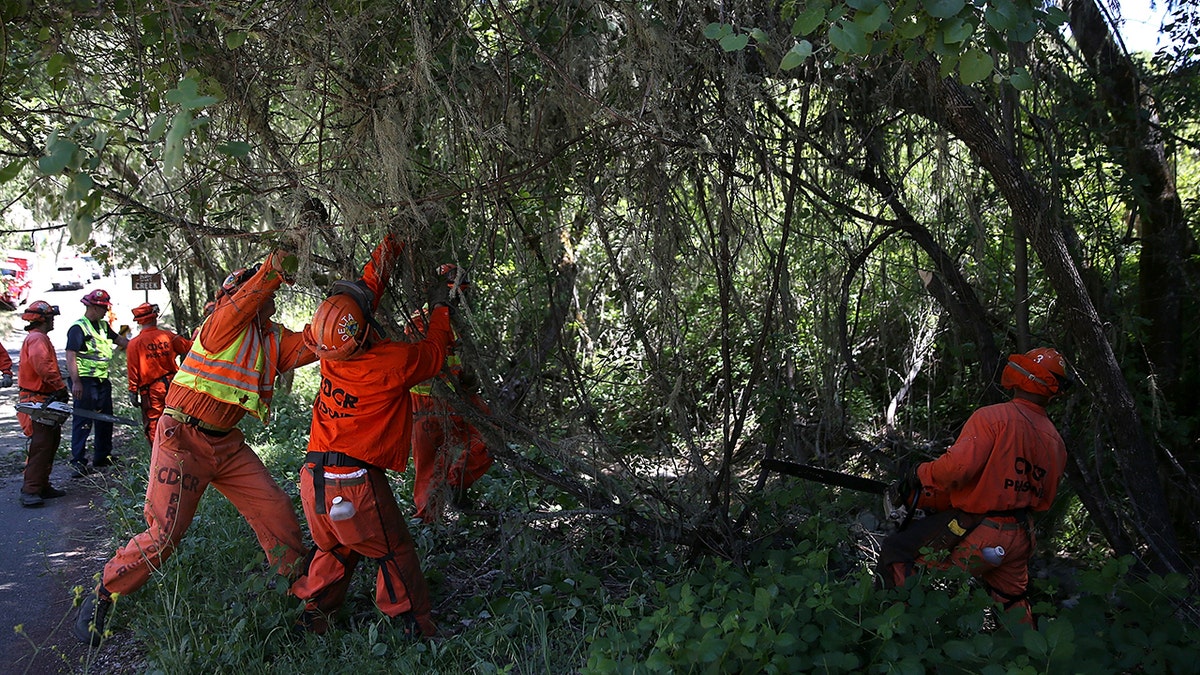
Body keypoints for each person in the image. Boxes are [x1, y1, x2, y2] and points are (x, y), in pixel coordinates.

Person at [75, 249, 317, 646]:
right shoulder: (223, 321)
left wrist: (353, 307)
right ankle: (105, 592)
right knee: (165, 534)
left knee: (275, 507)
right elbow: (249, 298)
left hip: (227, 447)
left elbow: (317, 341)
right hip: (183, 440)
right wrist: (277, 263)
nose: (268, 298)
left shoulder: (273, 340)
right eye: (258, 291)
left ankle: (295, 590)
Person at [291, 235, 453, 638]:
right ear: (363, 333)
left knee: (336, 547)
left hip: (313, 480)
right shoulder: (391, 361)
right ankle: (415, 628)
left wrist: (393, 241)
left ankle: (314, 616)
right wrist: (441, 306)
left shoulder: (324, 344)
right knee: (393, 550)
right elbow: (434, 353)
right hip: (355, 483)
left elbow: (367, 290)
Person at [876, 347, 1070, 625]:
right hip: (1021, 536)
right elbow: (1043, 496)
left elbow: (955, 469)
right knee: (1012, 600)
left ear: (1021, 373)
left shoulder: (993, 418)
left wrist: (920, 473)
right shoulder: (1056, 442)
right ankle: (1034, 656)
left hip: (980, 531)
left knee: (897, 551)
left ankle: (896, 629)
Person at [409, 265, 493, 522]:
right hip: (426, 402)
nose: (460, 299)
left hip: (457, 397)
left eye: (463, 293)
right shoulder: (421, 320)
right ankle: (426, 523)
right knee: (431, 467)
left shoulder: (456, 318)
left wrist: (466, 378)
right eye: (455, 293)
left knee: (491, 435)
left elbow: (458, 358)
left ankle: (456, 487)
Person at [65, 289, 129, 475]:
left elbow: (120, 340)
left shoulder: (103, 325)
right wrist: (76, 382)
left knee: (105, 418)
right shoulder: (78, 328)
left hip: (101, 380)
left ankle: (102, 456)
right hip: (84, 382)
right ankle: (78, 461)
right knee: (83, 420)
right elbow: (71, 356)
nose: (104, 312)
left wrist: (142, 343)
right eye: (101, 308)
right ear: (91, 306)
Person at [15, 301, 70, 508]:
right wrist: (59, 387)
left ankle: (42, 484)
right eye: (51, 317)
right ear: (44, 319)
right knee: (41, 445)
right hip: (38, 399)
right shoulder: (37, 339)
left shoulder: (37, 338)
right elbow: (44, 367)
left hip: (42, 398)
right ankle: (30, 489)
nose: (53, 320)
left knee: (50, 442)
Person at [125, 302, 192, 441]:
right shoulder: (168, 336)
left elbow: (133, 370)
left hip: (151, 391)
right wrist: (198, 333)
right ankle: (180, 448)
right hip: (174, 384)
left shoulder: (134, 344)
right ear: (155, 317)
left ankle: (159, 454)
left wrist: (133, 391)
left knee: (154, 421)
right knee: (178, 417)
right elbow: (189, 348)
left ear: (139, 321)